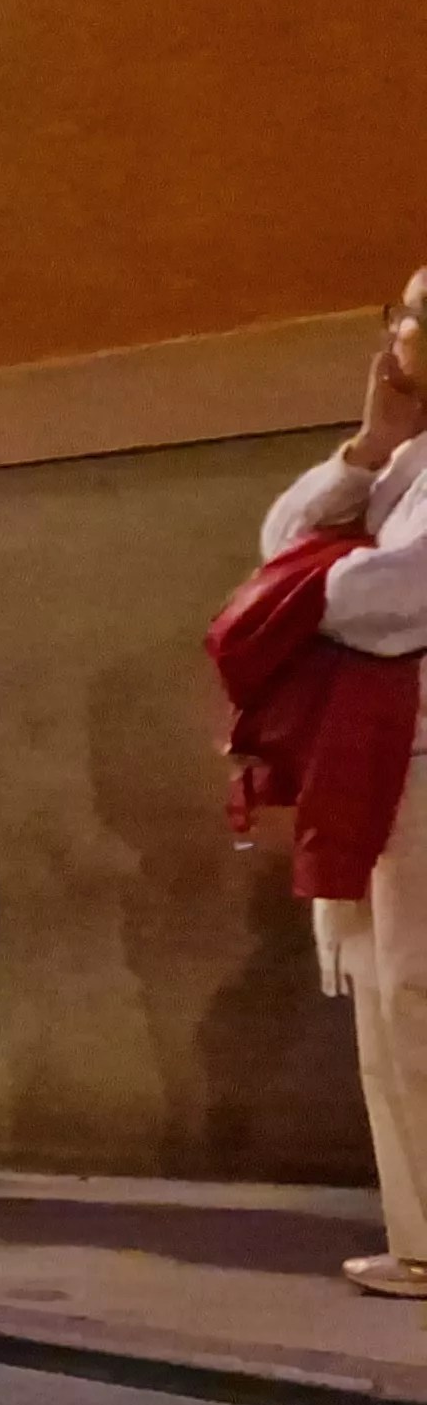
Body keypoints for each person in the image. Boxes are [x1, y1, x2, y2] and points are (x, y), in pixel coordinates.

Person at [260, 283, 427, 1295]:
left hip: (415, 757)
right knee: (388, 994)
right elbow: (283, 539)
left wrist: (300, 592)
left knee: (412, 991)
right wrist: (368, 448)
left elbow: (388, 598)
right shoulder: (407, 460)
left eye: (409, 316)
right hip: (384, 757)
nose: (394, 334)